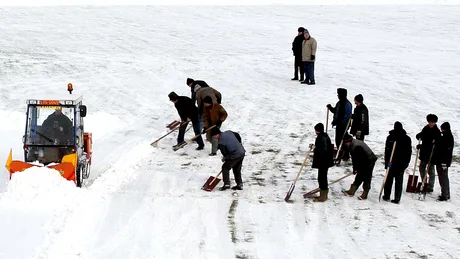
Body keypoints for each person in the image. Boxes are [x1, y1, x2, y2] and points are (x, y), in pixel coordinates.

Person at [382, 121, 412, 204]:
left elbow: (408, 153)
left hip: (400, 163)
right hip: (391, 162)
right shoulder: (390, 137)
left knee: (398, 181)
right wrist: (387, 162)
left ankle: (397, 198)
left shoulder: (406, 139)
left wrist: (405, 164)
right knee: (389, 180)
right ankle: (387, 195)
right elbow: (387, 150)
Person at [342, 134, 377, 200]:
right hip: (363, 160)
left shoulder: (357, 147)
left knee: (366, 177)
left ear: (348, 141)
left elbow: (359, 159)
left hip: (369, 161)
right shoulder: (352, 145)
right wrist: (355, 168)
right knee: (360, 175)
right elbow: (354, 159)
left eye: (346, 143)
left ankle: (365, 194)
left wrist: (358, 168)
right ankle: (352, 191)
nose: (345, 144)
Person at [415, 114, 441, 193]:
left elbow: (433, 144)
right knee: (421, 168)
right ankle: (424, 183)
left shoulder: (437, 132)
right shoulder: (425, 128)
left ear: (435, 122)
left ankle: (430, 187)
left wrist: (423, 146)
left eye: (432, 122)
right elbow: (421, 136)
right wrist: (419, 138)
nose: (431, 123)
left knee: (431, 171)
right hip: (424, 154)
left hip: (431, 154)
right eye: (430, 122)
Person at [327, 88, 352, 160]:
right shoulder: (339, 103)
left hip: (343, 125)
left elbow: (347, 115)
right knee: (338, 140)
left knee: (342, 140)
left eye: (339, 94)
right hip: (339, 125)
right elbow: (336, 111)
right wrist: (330, 108)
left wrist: (342, 124)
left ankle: (345, 154)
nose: (338, 96)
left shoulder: (347, 104)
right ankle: (341, 152)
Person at [311, 123, 334, 202]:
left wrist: (315, 148)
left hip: (323, 161)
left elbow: (322, 150)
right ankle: (323, 194)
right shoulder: (324, 136)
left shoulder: (321, 138)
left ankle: (323, 196)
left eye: (316, 130)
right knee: (322, 178)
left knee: (322, 178)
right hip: (325, 161)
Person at [435, 122, 454, 201]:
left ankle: (445, 195)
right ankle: (446, 193)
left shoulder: (447, 137)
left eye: (442, 128)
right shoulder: (446, 136)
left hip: (443, 161)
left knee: (443, 177)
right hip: (443, 160)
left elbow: (442, 148)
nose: (441, 130)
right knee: (443, 176)